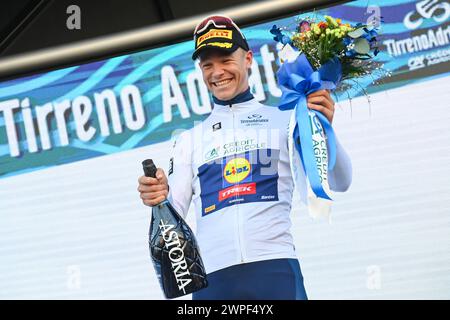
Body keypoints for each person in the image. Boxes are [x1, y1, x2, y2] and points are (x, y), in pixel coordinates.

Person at [137, 15, 352, 300]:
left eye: (225, 60)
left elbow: (341, 181)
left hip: (275, 272)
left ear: (248, 59)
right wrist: (157, 196)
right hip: (213, 282)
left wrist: (324, 129)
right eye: (207, 65)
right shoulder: (188, 140)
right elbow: (172, 214)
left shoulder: (285, 121)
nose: (217, 72)